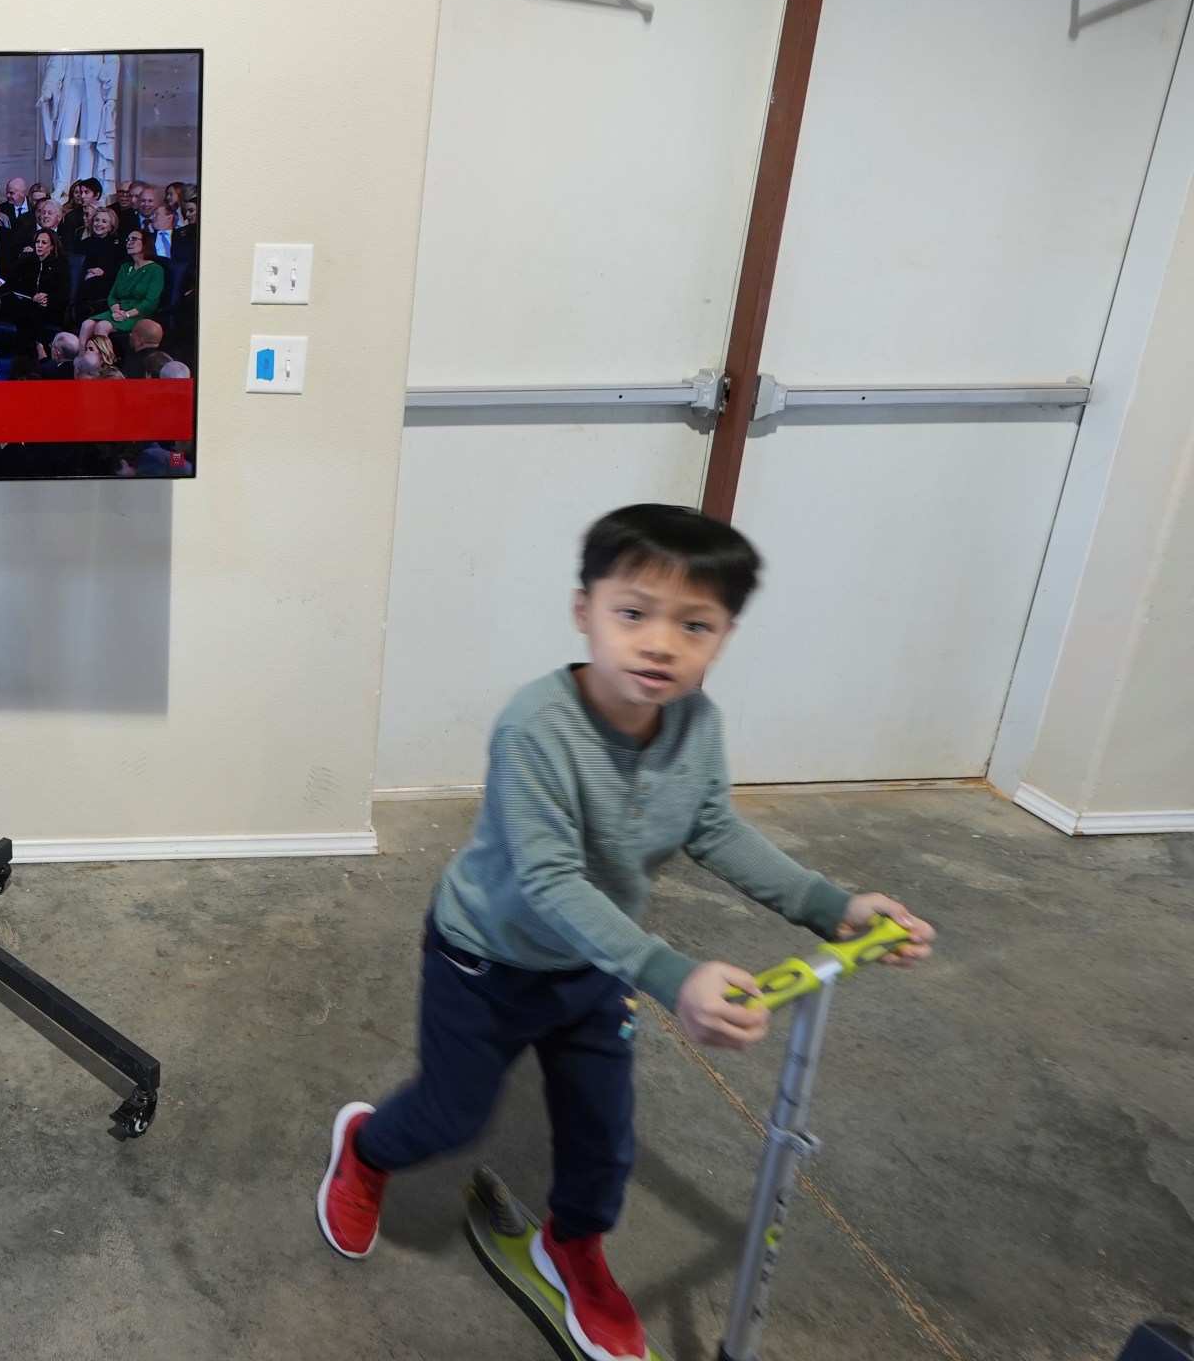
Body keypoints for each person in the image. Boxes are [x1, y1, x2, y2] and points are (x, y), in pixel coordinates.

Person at [316, 505, 937, 1361]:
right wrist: (672, 972)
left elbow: (713, 828)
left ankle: (571, 1246)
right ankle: (365, 1151)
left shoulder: (696, 723)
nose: (660, 643)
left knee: (605, 1138)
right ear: (585, 611)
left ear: (722, 637)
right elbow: (547, 879)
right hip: (484, 961)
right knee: (448, 1117)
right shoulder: (537, 726)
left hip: (592, 969)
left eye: (695, 625)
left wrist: (833, 907)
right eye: (633, 613)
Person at [7, 227, 70, 361]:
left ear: (52, 246)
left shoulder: (61, 264)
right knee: (24, 311)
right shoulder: (28, 261)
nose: (39, 245)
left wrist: (48, 298)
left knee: (27, 315)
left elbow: (64, 292)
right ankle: (37, 347)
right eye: (37, 242)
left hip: (51, 307)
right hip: (30, 304)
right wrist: (32, 296)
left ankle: (27, 355)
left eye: (43, 243)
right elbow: (17, 284)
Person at [104, 226, 165, 329]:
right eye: (128, 240)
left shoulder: (156, 270)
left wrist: (127, 315)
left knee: (102, 326)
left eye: (134, 239)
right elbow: (112, 296)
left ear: (146, 243)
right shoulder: (125, 268)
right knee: (87, 325)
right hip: (119, 312)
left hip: (138, 315)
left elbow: (151, 301)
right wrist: (117, 311)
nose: (129, 242)